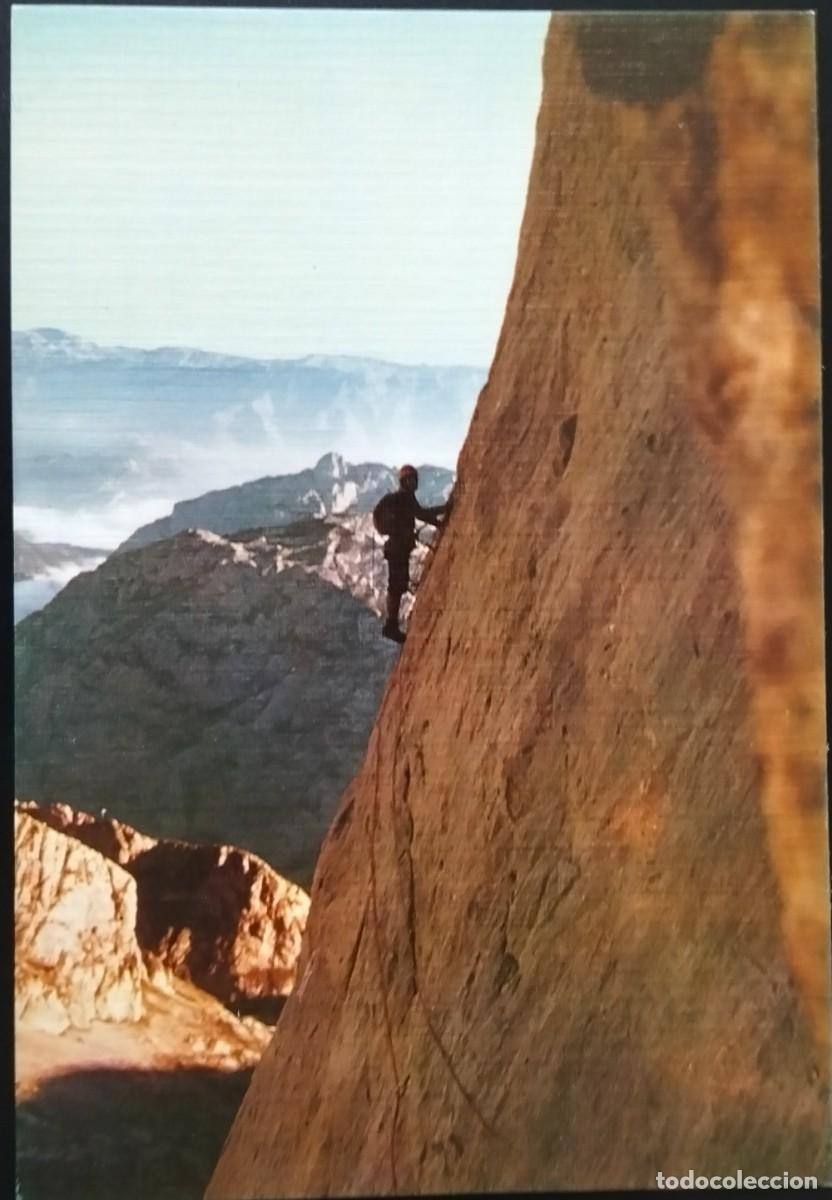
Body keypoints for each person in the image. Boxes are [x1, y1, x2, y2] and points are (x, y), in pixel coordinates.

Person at [375, 464, 446, 644]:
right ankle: (391, 625)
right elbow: (421, 514)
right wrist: (445, 510)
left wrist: (438, 523)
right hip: (398, 548)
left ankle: (391, 625)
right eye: (411, 480)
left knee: (398, 584)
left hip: (397, 548)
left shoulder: (403, 498)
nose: (413, 483)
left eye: (414, 480)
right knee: (397, 585)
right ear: (405, 482)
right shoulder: (404, 499)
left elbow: (419, 515)